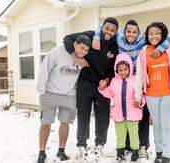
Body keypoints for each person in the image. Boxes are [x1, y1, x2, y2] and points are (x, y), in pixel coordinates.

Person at [92, 19, 170, 158]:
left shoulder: (142, 41)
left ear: (139, 33)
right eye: (128, 31)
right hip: (123, 78)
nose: (131, 34)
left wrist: (160, 49)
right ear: (124, 32)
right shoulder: (119, 38)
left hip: (139, 80)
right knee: (126, 116)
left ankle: (142, 146)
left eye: (135, 32)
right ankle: (129, 146)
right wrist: (96, 37)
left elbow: (168, 37)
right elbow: (101, 26)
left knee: (141, 116)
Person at [63, 17, 119, 161]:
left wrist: (107, 80)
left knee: (103, 117)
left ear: (116, 32)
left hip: (102, 85)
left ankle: (99, 145)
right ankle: (81, 145)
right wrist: (77, 58)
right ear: (102, 27)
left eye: (113, 30)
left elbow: (115, 69)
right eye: (107, 28)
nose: (109, 32)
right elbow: (67, 39)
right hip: (86, 82)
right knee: (83, 115)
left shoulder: (116, 46)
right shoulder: (90, 35)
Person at [134, 22, 170, 163]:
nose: (154, 36)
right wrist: (137, 95)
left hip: (169, 93)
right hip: (151, 94)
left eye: (157, 33)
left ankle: (166, 154)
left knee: (166, 124)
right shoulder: (144, 52)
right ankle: (158, 151)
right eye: (151, 33)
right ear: (147, 35)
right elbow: (139, 75)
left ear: (162, 34)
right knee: (157, 124)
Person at [36, 35, 91, 163]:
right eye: (81, 48)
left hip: (69, 95)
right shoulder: (57, 52)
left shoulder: (84, 59)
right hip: (50, 92)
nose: (83, 52)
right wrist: (42, 91)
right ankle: (41, 153)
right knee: (46, 123)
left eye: (86, 50)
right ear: (75, 44)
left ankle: (61, 151)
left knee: (65, 122)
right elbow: (44, 69)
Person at [98, 52, 146, 162]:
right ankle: (120, 152)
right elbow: (110, 93)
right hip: (119, 114)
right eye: (120, 70)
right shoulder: (115, 81)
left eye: (125, 69)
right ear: (116, 70)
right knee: (120, 135)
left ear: (130, 68)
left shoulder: (135, 80)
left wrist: (140, 101)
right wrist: (102, 89)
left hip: (133, 113)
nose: (123, 72)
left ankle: (135, 152)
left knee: (134, 134)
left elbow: (142, 95)